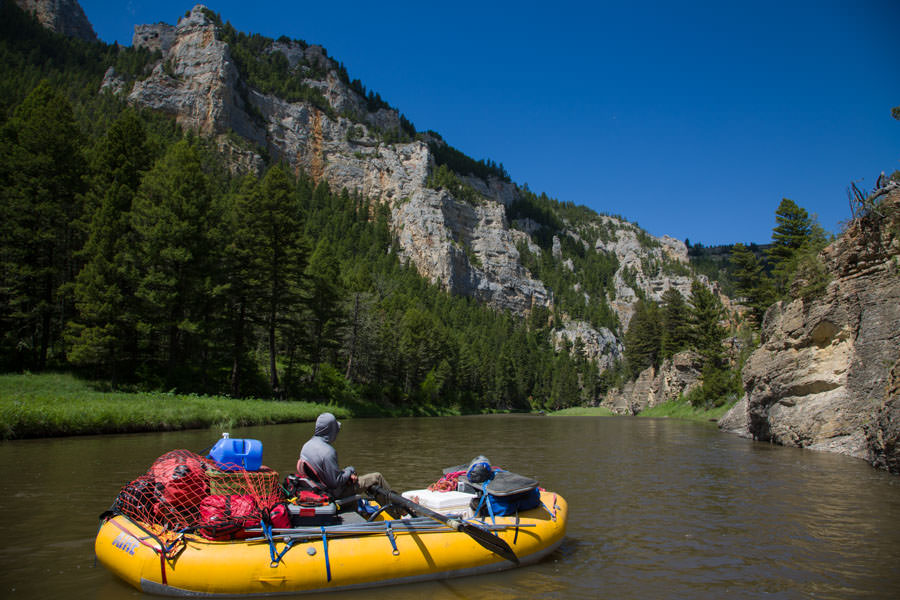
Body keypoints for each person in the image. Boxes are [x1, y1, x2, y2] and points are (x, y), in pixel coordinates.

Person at [298, 413, 397, 511]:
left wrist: (345, 473)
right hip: (333, 493)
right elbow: (335, 483)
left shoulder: (306, 446)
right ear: (331, 430)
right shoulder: (328, 452)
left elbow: (323, 473)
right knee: (376, 477)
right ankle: (397, 511)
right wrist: (350, 470)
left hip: (318, 490)